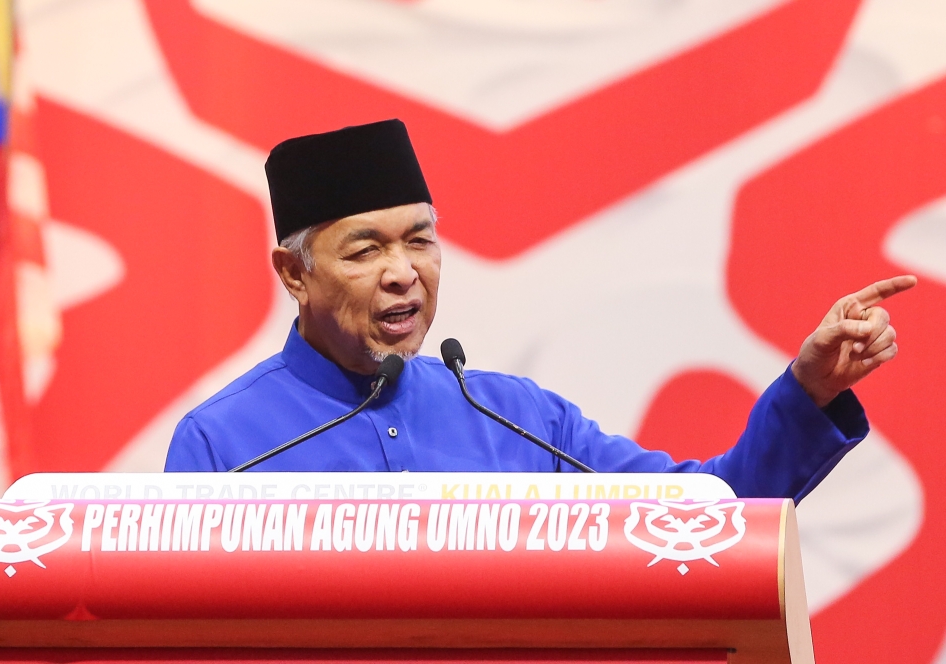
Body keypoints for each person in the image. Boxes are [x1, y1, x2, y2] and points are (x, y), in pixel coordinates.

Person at [165, 119, 915, 501]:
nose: (403, 274)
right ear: (294, 274)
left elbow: (707, 516)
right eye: (364, 252)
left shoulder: (518, 419)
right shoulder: (223, 445)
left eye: (419, 241)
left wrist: (810, 391)